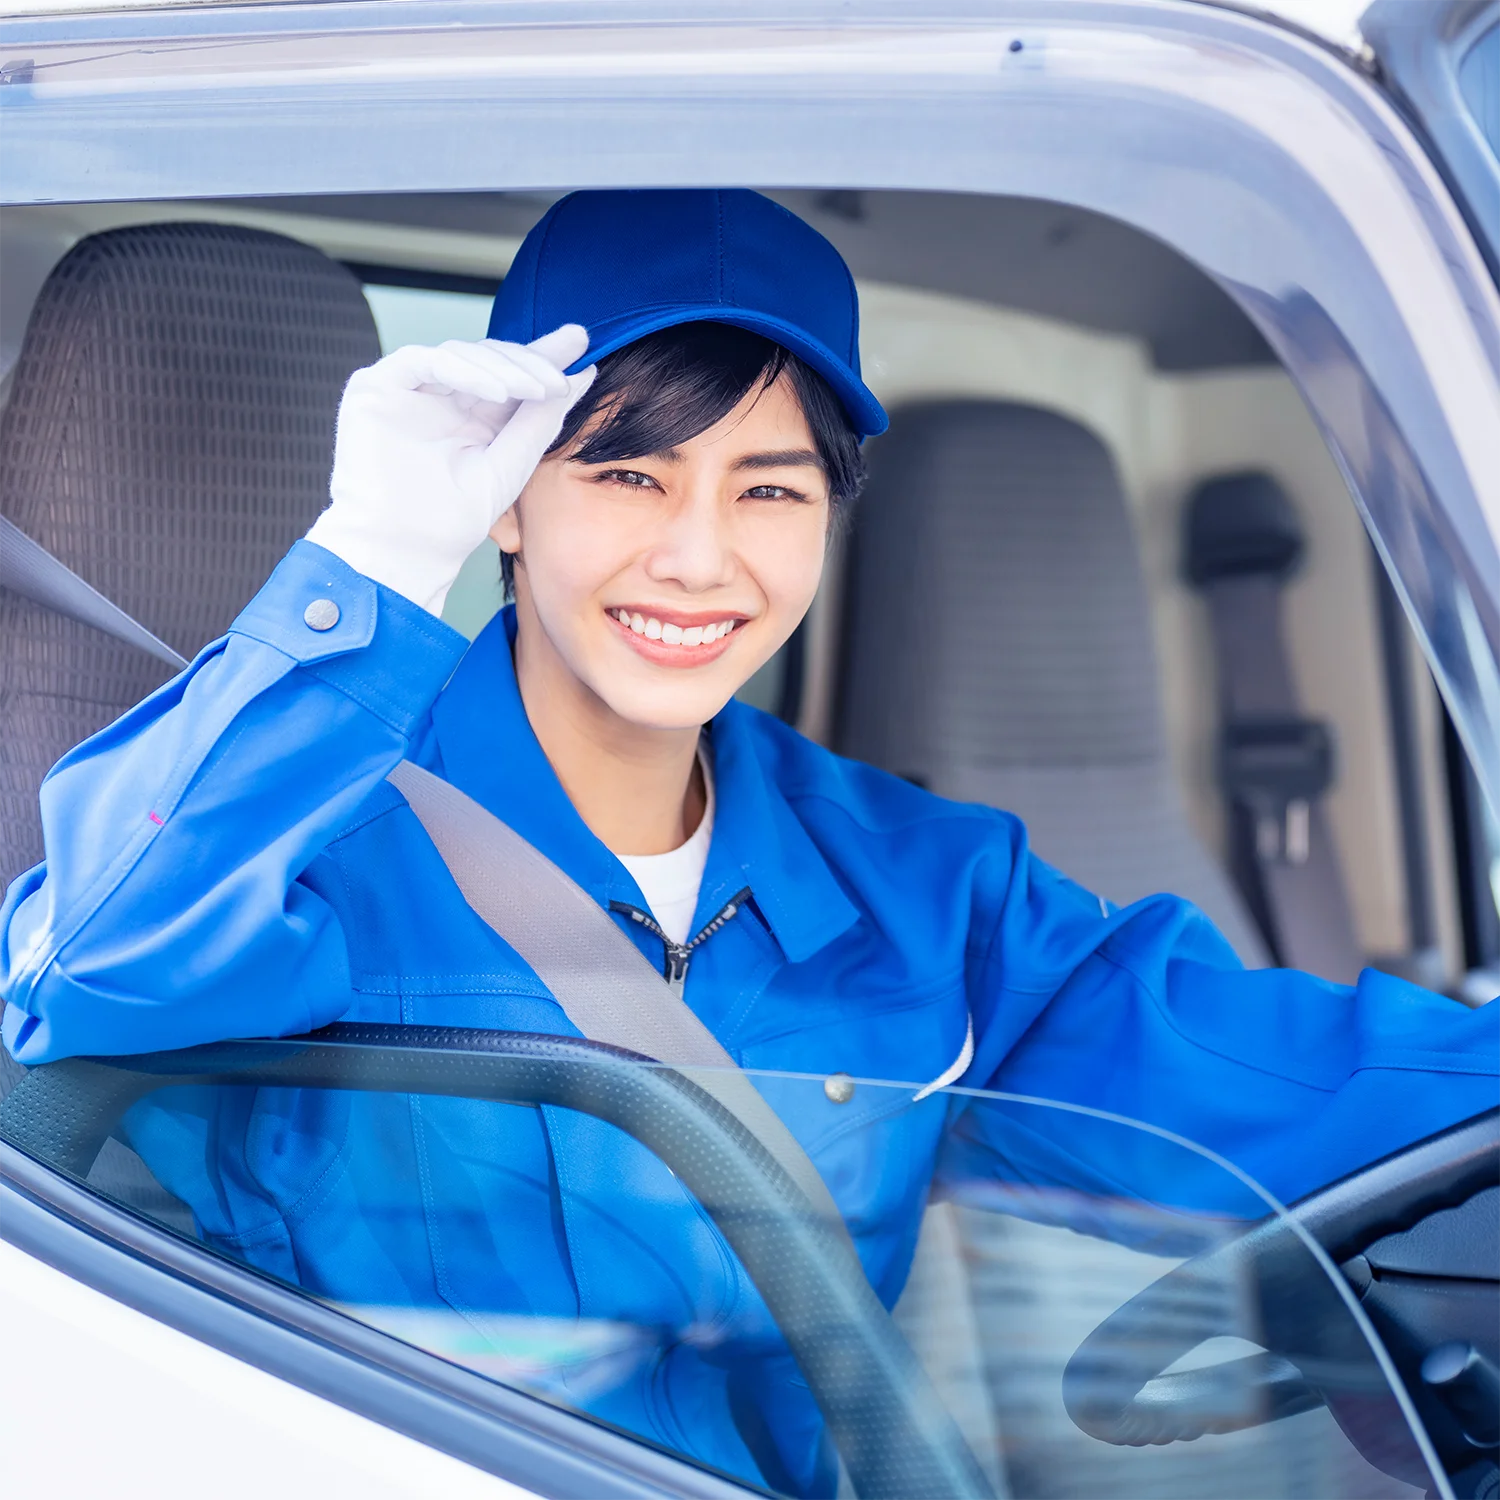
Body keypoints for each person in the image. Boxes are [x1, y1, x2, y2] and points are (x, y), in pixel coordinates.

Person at [3, 187, 1500, 1495]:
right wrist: (375, 555)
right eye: (627, 474)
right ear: (509, 502)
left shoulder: (930, 890)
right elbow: (85, 973)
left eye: (769, 487)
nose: (700, 556)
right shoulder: (297, 829)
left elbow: (1305, 1088)